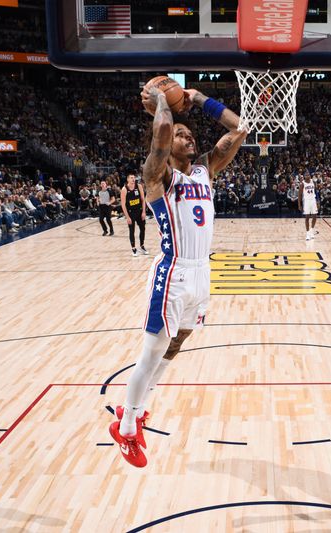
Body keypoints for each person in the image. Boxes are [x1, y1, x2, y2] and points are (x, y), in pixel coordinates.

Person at [109, 84, 247, 467]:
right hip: (173, 273)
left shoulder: (204, 171)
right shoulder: (156, 175)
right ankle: (127, 427)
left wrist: (200, 99)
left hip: (202, 272)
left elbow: (240, 129)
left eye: (192, 135)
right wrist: (161, 103)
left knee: (176, 345)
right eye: (182, 136)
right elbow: (162, 135)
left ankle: (135, 410)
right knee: (152, 349)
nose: (189, 138)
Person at [120, 174, 148, 256]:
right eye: (131, 178)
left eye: (134, 178)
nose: (133, 179)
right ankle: (133, 248)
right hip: (130, 212)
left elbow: (143, 200)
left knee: (142, 228)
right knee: (132, 230)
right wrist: (127, 217)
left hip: (139, 211)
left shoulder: (139, 186)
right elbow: (123, 204)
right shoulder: (124, 189)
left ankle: (142, 246)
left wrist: (143, 212)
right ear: (128, 179)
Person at [298, 174, 318, 240]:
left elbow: (316, 192)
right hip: (306, 201)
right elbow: (299, 195)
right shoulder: (302, 184)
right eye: (306, 175)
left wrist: (317, 201)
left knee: (315, 216)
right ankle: (307, 234)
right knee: (307, 217)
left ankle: (311, 231)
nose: (307, 176)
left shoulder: (313, 182)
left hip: (313, 200)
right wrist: (299, 205)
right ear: (304, 177)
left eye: (308, 175)